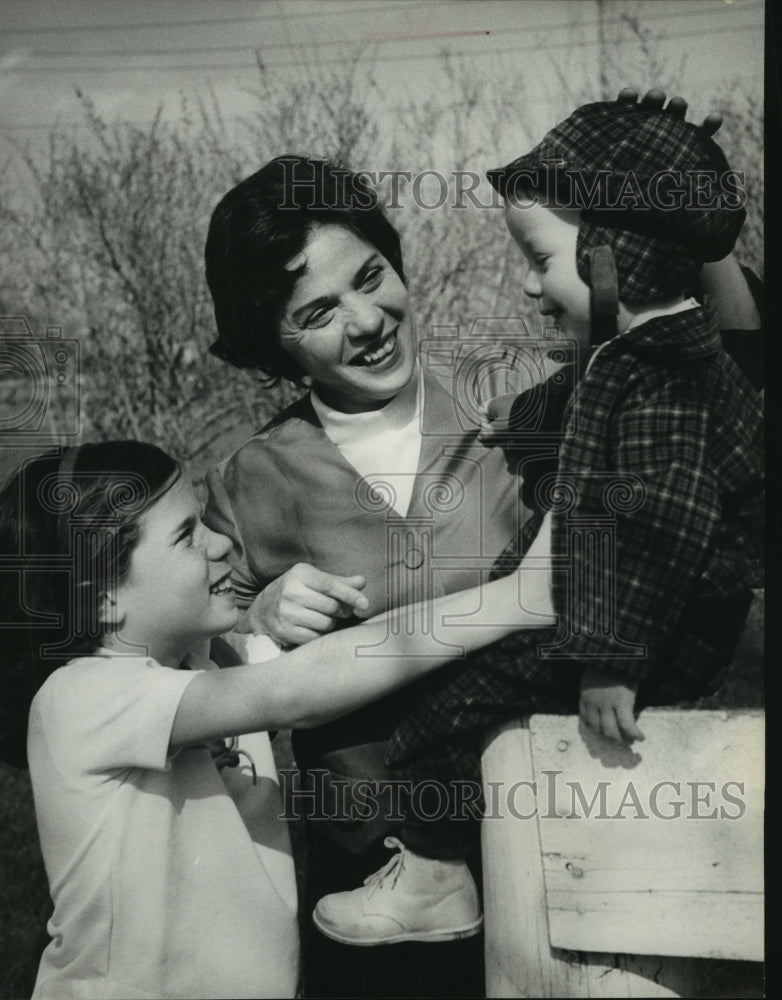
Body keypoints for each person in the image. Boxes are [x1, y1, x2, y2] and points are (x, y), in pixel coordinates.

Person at [311, 94, 764, 945]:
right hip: (647, 615)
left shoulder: (657, 385)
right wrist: (517, 422)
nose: (527, 281)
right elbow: (578, 396)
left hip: (655, 628)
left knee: (441, 711)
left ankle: (438, 878)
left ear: (611, 257)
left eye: (541, 257)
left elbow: (657, 530)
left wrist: (609, 662)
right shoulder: (644, 352)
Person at [0, 440, 552, 1000]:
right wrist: (514, 600)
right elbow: (299, 690)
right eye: (187, 534)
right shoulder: (79, 698)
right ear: (102, 601)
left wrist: (267, 617)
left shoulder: (206, 662)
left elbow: (327, 666)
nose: (220, 543)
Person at [202, 154, 524, 996]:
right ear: (272, 341)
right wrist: (255, 622)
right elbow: (175, 662)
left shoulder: (517, 400)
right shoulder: (252, 478)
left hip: (548, 834)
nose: (367, 320)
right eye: (317, 311)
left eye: (372, 277)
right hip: (365, 884)